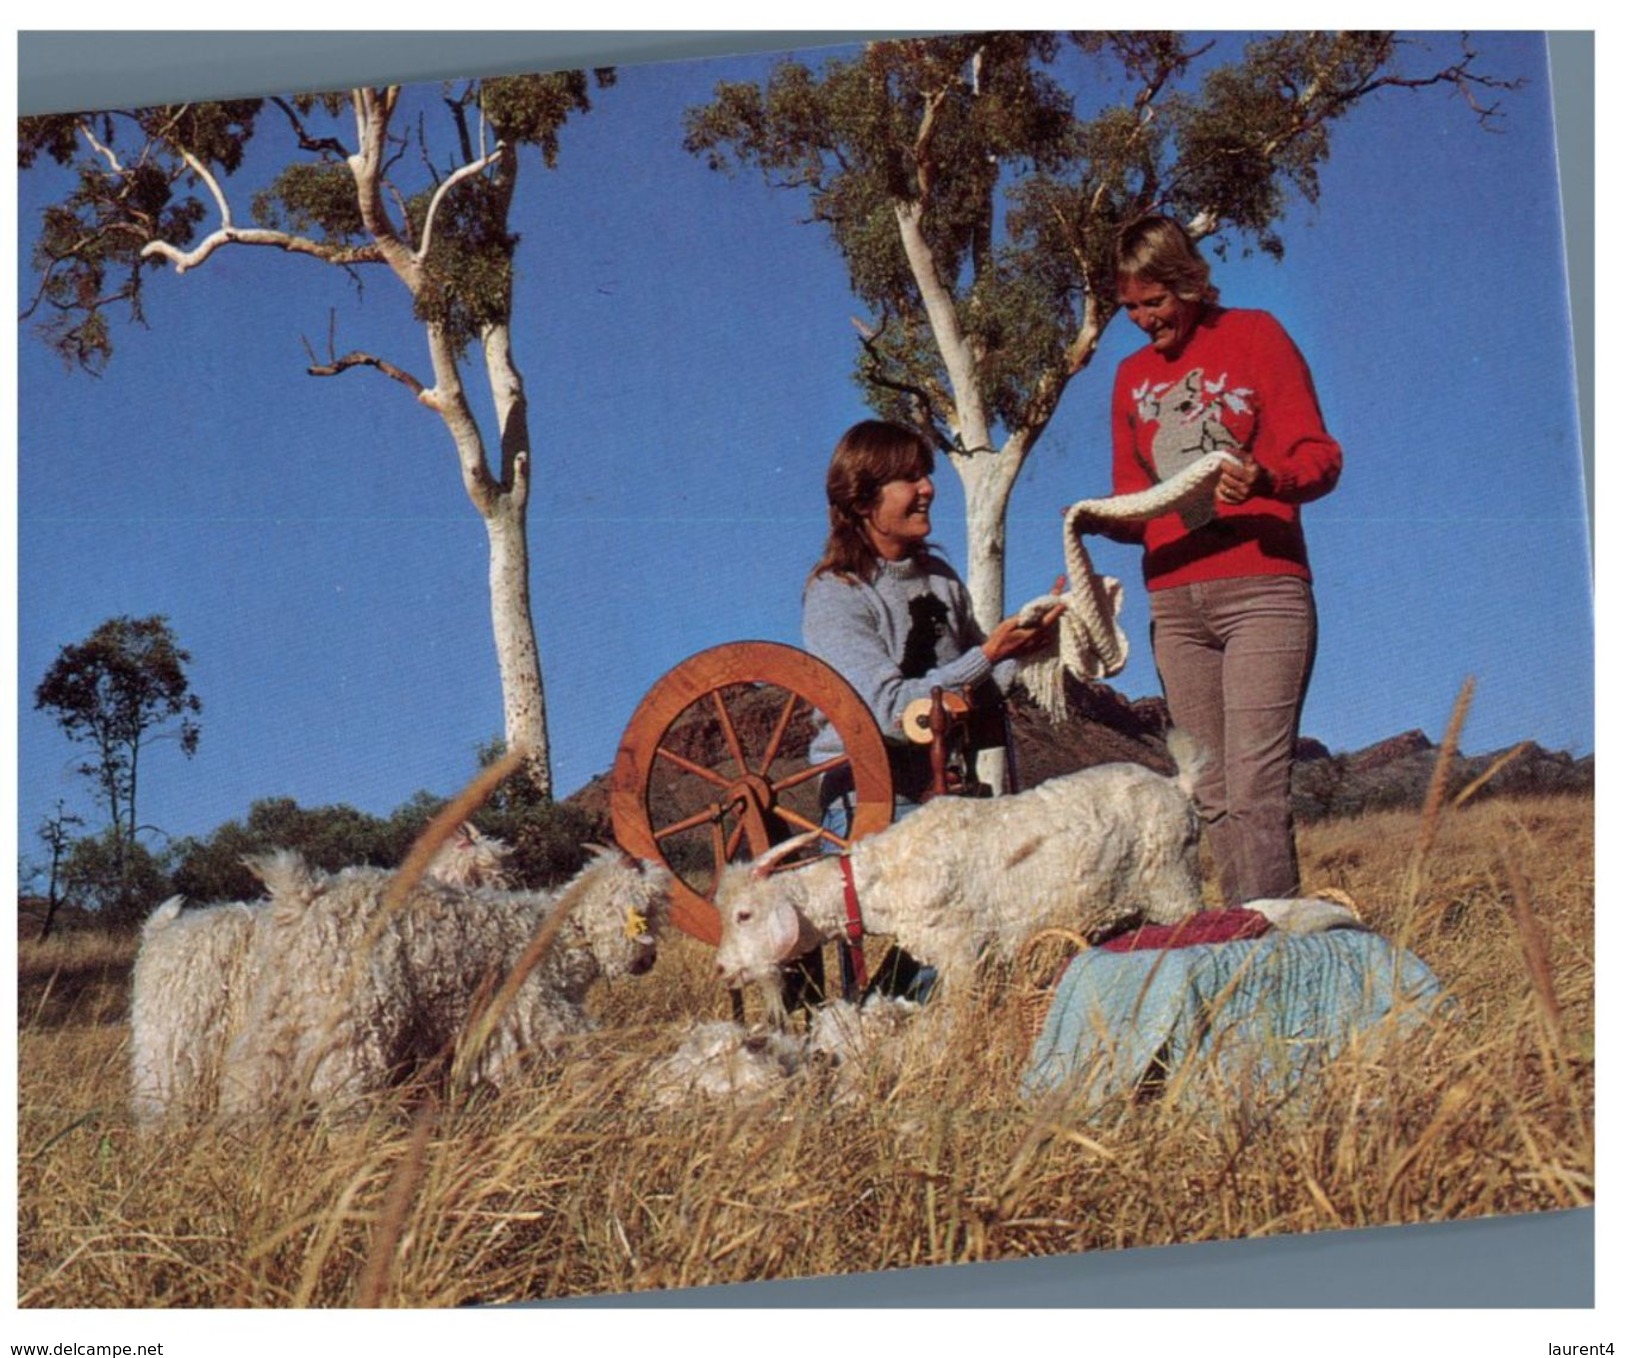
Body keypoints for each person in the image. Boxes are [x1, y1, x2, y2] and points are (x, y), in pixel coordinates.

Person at [1107, 215, 1342, 907]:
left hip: (1261, 590)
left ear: (1187, 283)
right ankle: (1239, 937)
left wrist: (1265, 478)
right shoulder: (1128, 378)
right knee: (1208, 790)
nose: (1144, 320)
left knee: (1255, 787)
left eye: (1155, 303)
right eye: (1129, 309)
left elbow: (1320, 457)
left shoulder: (1256, 335)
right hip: (1173, 606)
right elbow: (1135, 499)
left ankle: (1266, 951)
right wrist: (1097, 521)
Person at [798, 418, 1061, 1002]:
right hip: (872, 801)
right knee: (938, 952)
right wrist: (990, 651)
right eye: (908, 478)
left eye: (926, 475)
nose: (927, 489)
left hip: (945, 790)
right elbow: (891, 712)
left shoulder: (940, 579)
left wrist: (1029, 650)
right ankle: (877, 1034)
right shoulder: (836, 595)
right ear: (863, 499)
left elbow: (976, 688)